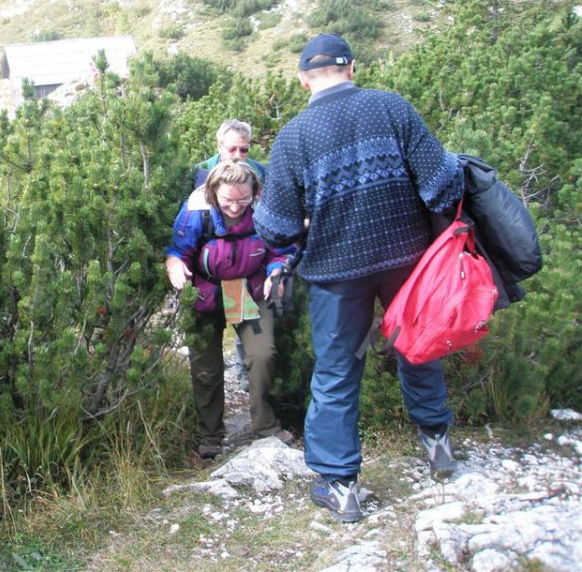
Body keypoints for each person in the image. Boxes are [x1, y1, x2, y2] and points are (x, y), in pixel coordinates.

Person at [253, 33, 463, 523]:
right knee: (418, 345)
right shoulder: (392, 108)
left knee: (336, 373)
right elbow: (442, 184)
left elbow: (277, 227)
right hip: (406, 261)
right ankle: (437, 445)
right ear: (352, 68)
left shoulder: (294, 136)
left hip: (336, 273)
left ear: (304, 79)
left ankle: (341, 487)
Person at [166, 160, 294, 460]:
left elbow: (281, 250)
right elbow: (177, 250)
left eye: (243, 200)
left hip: (248, 291)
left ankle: (265, 425)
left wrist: (277, 272)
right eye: (227, 201)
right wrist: (175, 266)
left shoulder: (263, 211)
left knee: (262, 355)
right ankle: (210, 433)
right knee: (206, 368)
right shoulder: (197, 211)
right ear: (213, 193)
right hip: (204, 293)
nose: (235, 208)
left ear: (254, 193)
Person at [192, 119, 268, 392]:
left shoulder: (261, 174)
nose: (238, 155)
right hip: (208, 281)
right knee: (205, 363)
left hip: (248, 276)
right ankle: (210, 431)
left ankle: (245, 377)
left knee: (257, 345)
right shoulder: (199, 175)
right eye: (232, 149)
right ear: (219, 147)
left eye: (244, 150)